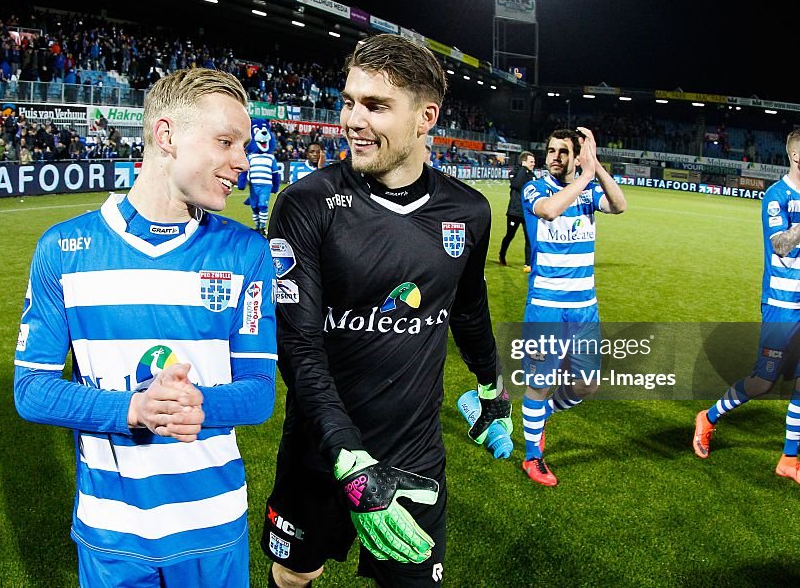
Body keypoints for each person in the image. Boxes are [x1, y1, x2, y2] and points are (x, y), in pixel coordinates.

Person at [260, 34, 511, 588]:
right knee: (294, 575)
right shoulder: (306, 203)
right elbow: (297, 346)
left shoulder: (468, 211)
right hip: (323, 452)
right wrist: (349, 458)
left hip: (412, 458)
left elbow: (468, 306)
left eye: (375, 106)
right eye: (349, 101)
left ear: (426, 117)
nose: (352, 119)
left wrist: (492, 387)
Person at [13, 68, 277, 587]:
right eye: (226, 142)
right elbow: (30, 391)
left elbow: (260, 393)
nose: (242, 163)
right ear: (165, 136)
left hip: (214, 527)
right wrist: (132, 409)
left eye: (243, 146)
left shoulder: (246, 252)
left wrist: (198, 404)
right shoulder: (64, 250)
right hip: (111, 535)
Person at [694, 128, 800, 488]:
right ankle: (708, 418)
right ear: (795, 156)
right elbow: (782, 246)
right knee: (763, 381)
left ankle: (789, 459)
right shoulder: (776, 196)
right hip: (781, 305)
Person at [518, 128, 627, 486]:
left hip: (584, 308)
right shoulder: (535, 188)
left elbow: (619, 205)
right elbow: (549, 210)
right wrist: (585, 178)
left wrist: (595, 168)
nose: (554, 157)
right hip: (546, 307)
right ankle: (533, 457)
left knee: (587, 385)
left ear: (576, 156)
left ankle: (544, 415)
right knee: (539, 383)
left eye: (563, 152)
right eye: (550, 150)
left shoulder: (589, 190)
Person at [498, 151, 536, 271]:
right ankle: (502, 255)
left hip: (527, 212)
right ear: (523, 162)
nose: (533, 164)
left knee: (529, 237)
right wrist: (524, 169)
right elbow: (517, 184)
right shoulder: (516, 172)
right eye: (531, 161)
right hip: (514, 212)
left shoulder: (532, 174)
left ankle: (528, 264)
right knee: (510, 235)